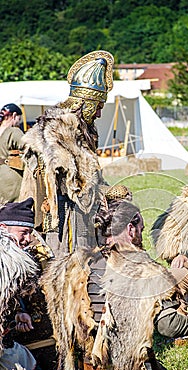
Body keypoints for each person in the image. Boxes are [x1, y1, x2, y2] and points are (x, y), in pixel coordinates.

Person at [40, 187, 188, 370]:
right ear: (131, 229)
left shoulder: (71, 267)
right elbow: (170, 326)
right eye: (141, 228)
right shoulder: (146, 271)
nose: (142, 234)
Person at [18, 50, 114, 256]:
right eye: (97, 107)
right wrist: (106, 193)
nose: (99, 113)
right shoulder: (57, 132)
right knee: (64, 267)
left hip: (77, 217)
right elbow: (78, 187)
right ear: (84, 104)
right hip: (61, 219)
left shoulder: (81, 132)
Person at [0, 198, 46, 370]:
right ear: (3, 228)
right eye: (23, 233)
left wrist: (19, 313)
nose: (28, 239)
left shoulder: (13, 260)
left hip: (5, 341)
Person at [0, 103, 24, 203]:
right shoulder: (13, 131)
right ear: (14, 115)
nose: (19, 123)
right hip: (10, 178)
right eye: (19, 119)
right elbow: (29, 146)